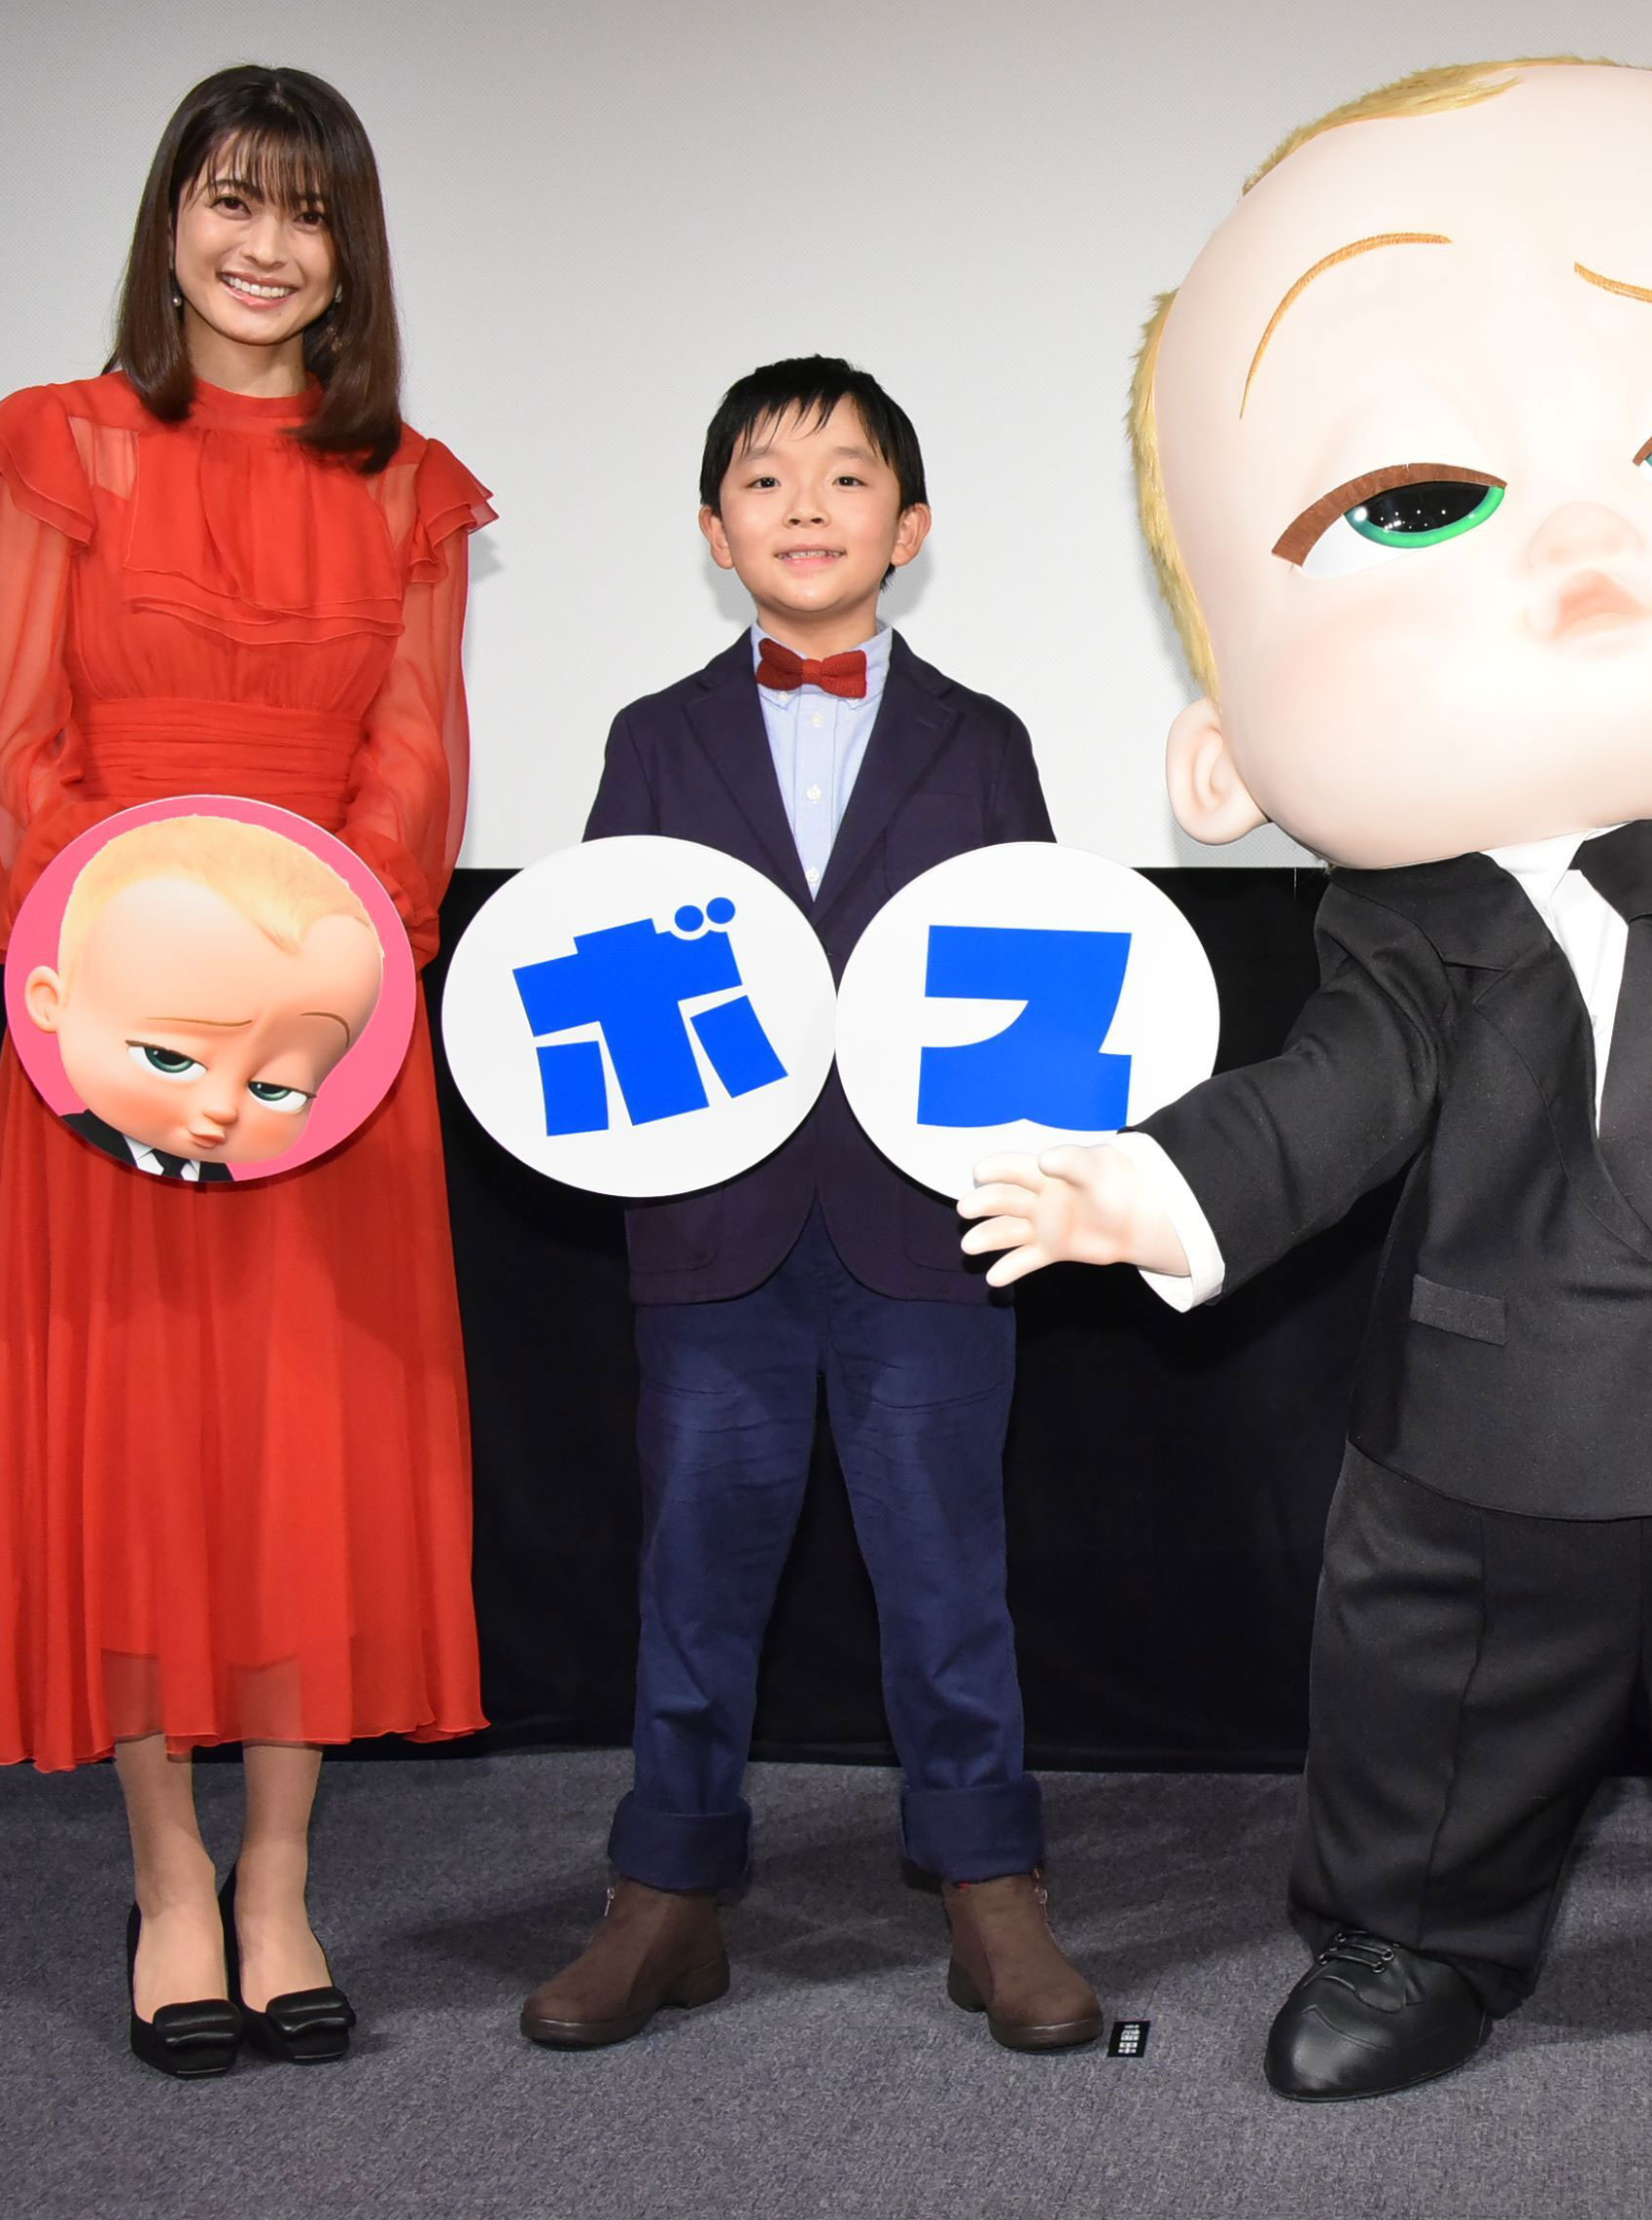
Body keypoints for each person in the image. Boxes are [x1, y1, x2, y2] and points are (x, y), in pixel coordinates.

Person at [958, 58, 1652, 2106]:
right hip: (1493, 1435)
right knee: (1443, 1703)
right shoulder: (1419, 922)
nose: (1586, 550)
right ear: (1218, 746)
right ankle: (1409, 1938)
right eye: (1415, 504)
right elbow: (1341, 1085)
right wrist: (1158, 1187)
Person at [0, 64, 491, 2076]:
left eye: (306, 212)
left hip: (322, 1053)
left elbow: (413, 769)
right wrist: (149, 1004)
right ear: (170, 224)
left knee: (303, 1453)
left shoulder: (412, 487)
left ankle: (279, 1876)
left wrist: (306, 1014)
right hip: (116, 1041)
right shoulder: (57, 448)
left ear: (351, 254)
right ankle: (168, 1876)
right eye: (230, 200)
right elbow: (21, 756)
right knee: (139, 1449)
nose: (265, 246)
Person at [518, 357, 1100, 2057]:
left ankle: (990, 1886)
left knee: (946, 1573)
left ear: (908, 530)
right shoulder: (656, 736)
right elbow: (600, 970)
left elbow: (1041, 972)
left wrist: (1042, 1168)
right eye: (765, 481)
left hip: (929, 1229)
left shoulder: (983, 738)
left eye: (847, 479)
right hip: (716, 1230)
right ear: (716, 532)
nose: (806, 507)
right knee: (695, 1574)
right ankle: (666, 1893)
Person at [23, 814, 389, 1180]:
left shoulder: (233, 1184)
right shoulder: (49, 1162)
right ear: (52, 1003)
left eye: (275, 1089)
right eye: (169, 1058)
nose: (222, 1108)